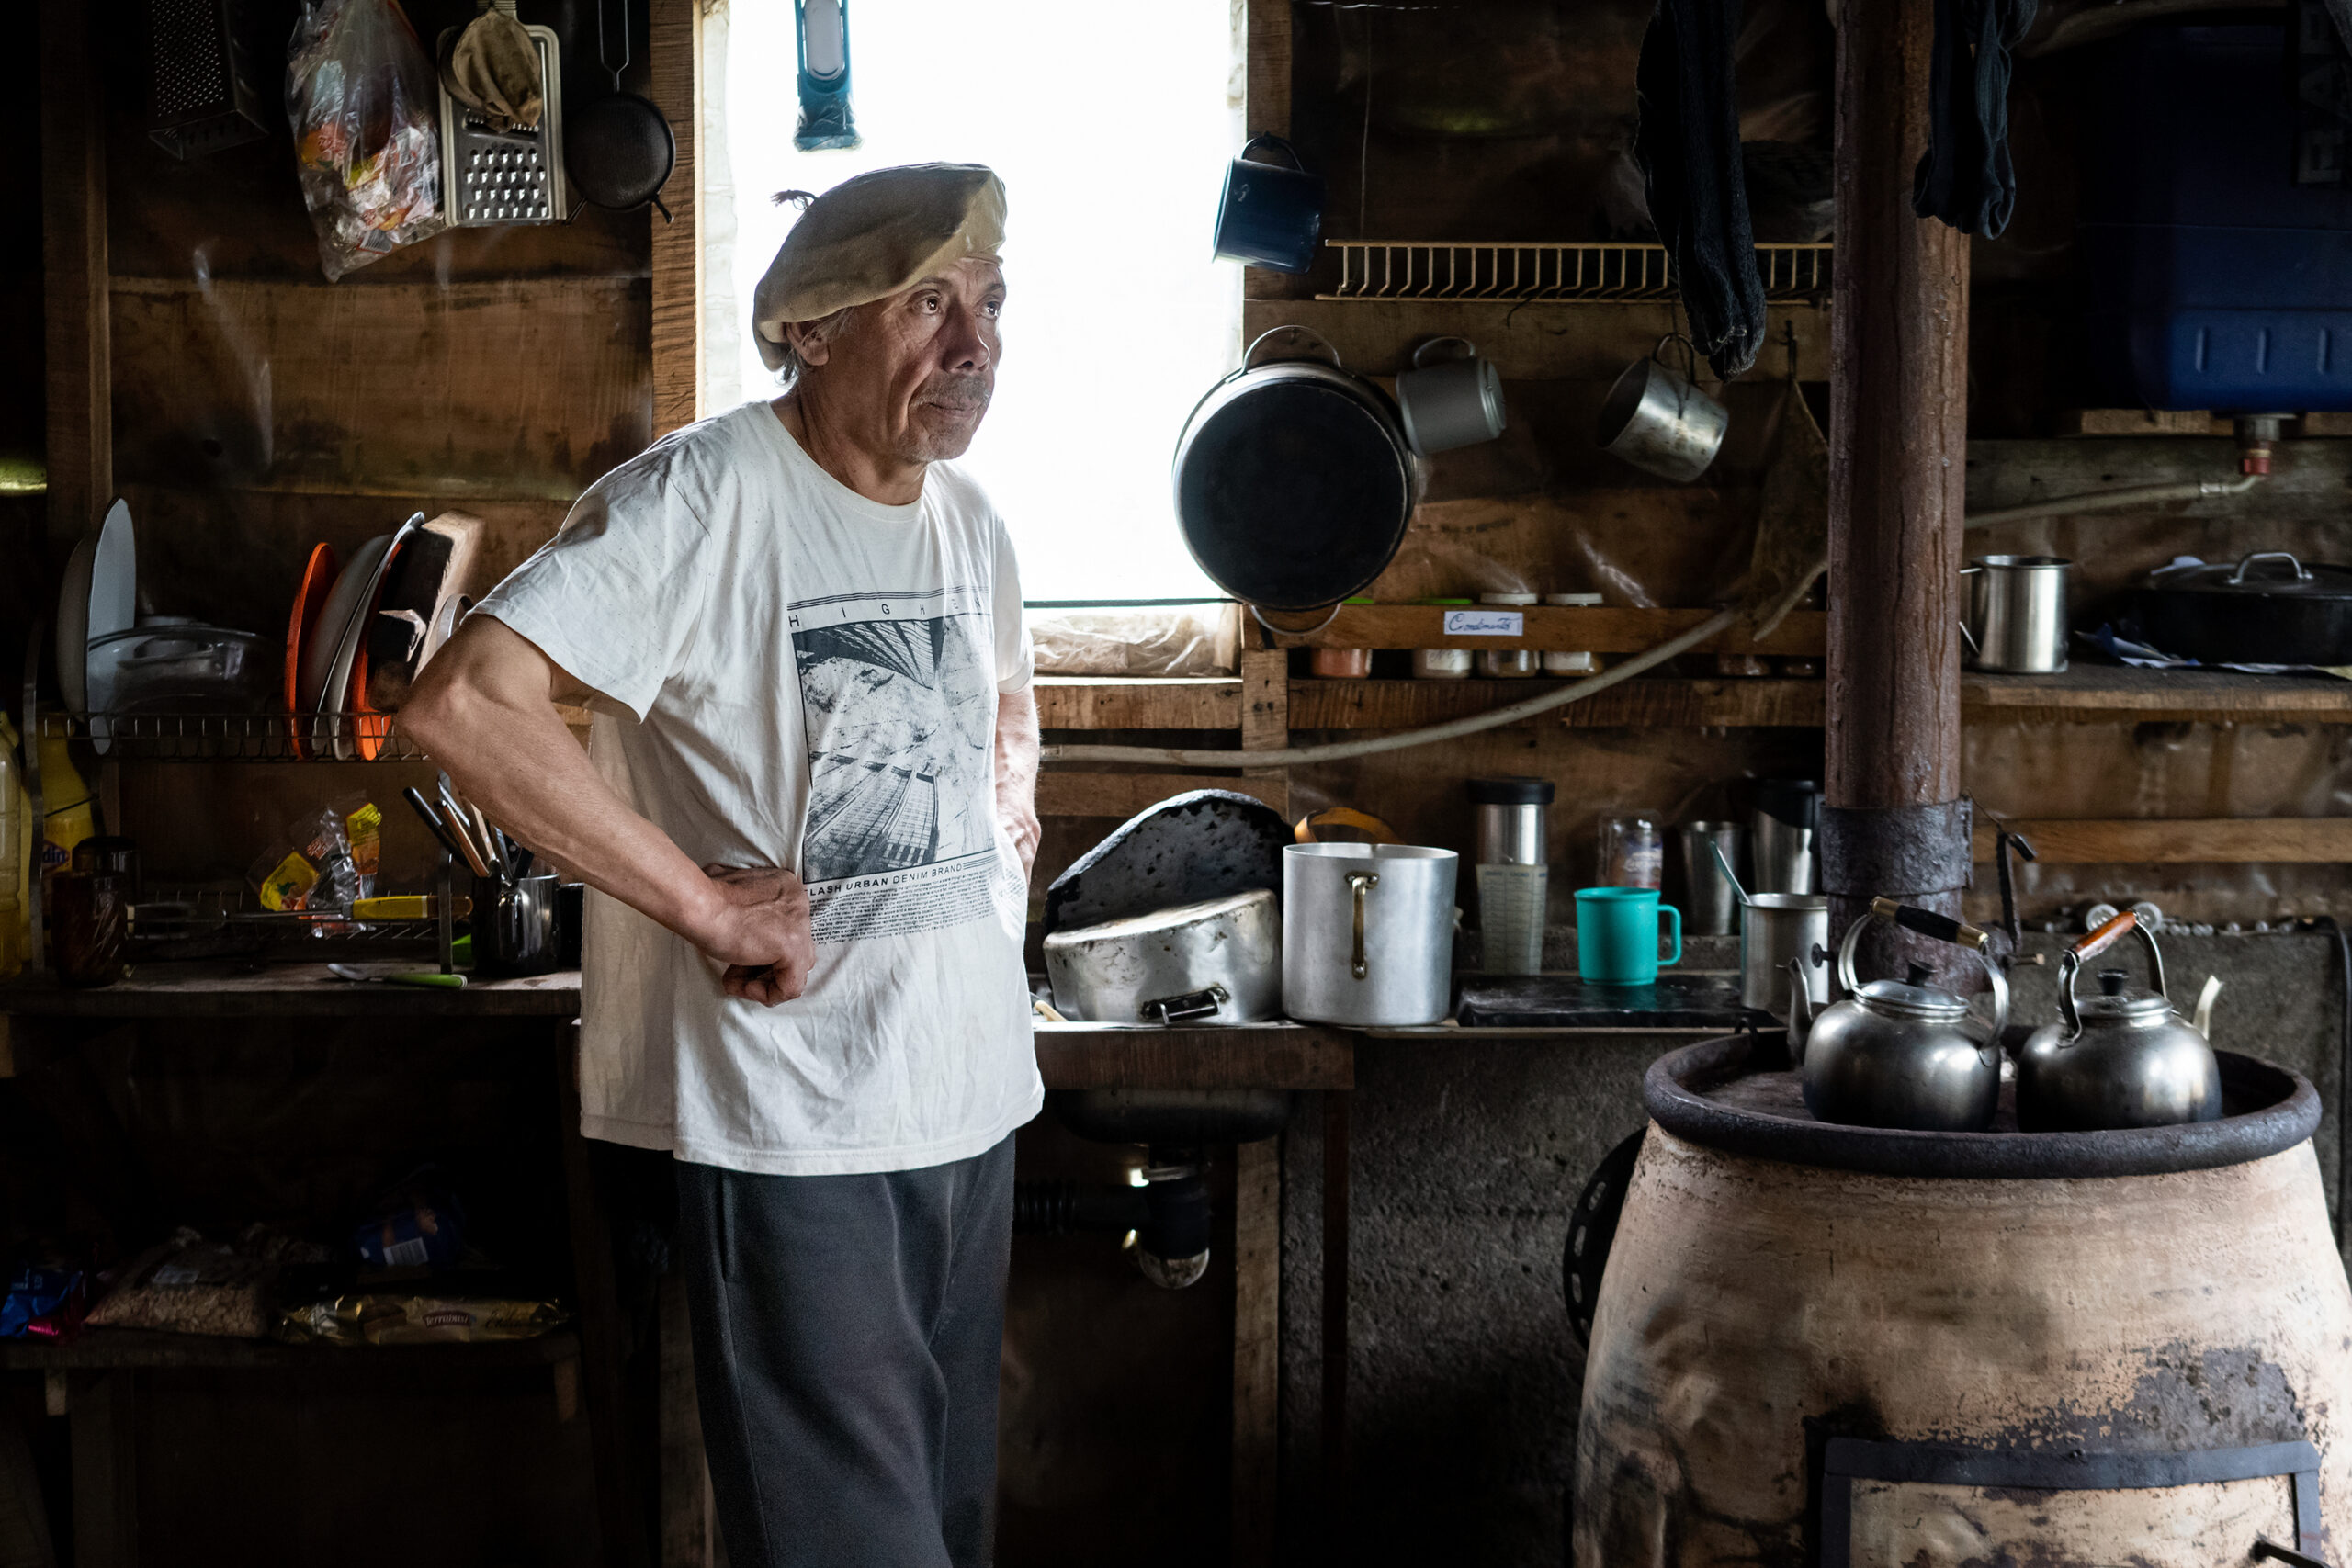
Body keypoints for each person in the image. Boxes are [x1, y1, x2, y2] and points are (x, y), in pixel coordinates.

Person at [401, 163, 1041, 1568]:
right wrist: (699, 903)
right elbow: (463, 704)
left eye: (991, 302)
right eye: (928, 302)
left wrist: (1005, 855)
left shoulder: (970, 520)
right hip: (796, 1122)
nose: (975, 344)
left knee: (948, 1534)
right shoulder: (705, 496)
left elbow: (1002, 710)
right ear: (811, 329)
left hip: (970, 1101)